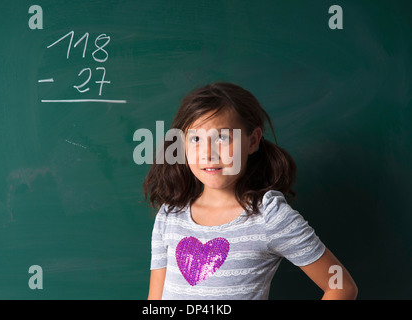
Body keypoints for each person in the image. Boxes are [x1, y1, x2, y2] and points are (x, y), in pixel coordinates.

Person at [143, 82, 357, 300]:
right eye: (196, 139)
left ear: (252, 141)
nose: (208, 153)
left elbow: (341, 286)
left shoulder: (270, 217)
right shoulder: (170, 216)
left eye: (222, 138)